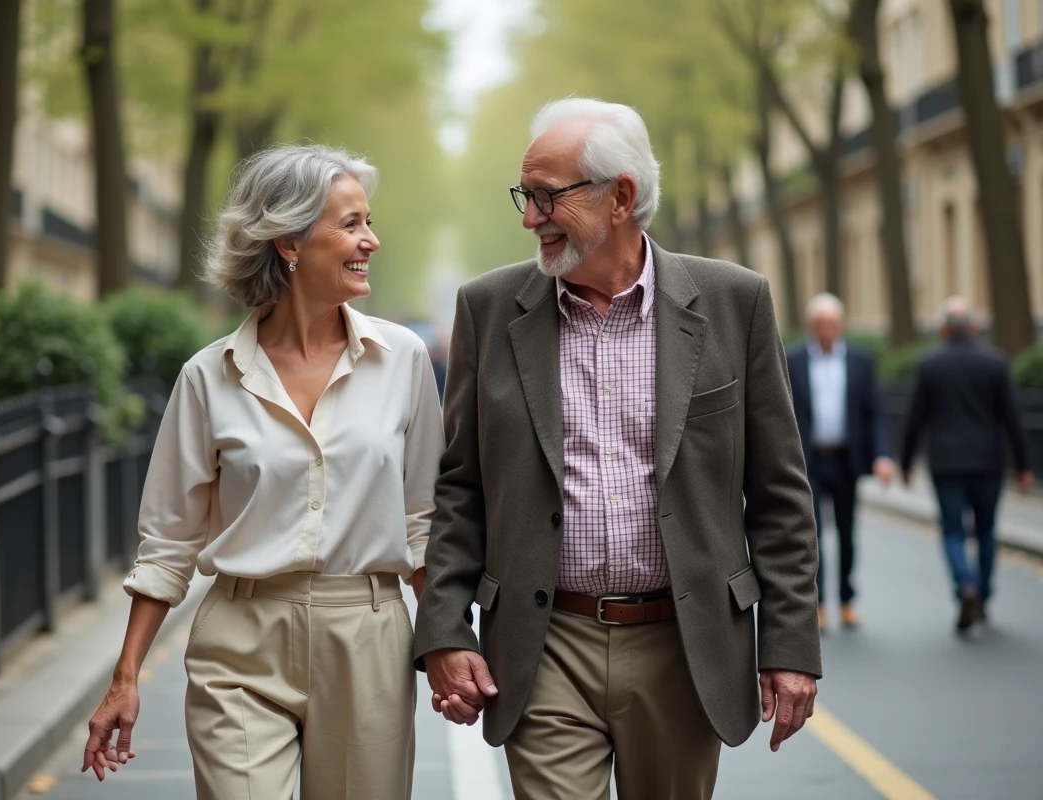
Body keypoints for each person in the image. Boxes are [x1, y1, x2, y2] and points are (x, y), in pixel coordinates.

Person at [413, 98, 821, 800]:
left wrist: (789, 647)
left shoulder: (734, 302)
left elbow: (780, 496)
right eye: (525, 196)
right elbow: (461, 487)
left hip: (684, 643)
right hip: (543, 643)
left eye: (546, 197)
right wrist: (445, 626)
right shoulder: (488, 308)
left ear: (620, 198)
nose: (529, 217)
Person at [80, 144, 445, 799]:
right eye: (352, 223)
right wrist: (126, 676)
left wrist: (448, 640)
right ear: (290, 243)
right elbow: (167, 542)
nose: (373, 240)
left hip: (366, 632)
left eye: (370, 221)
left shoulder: (404, 361)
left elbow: (421, 520)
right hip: (239, 642)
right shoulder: (208, 376)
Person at [901, 296, 1033, 631]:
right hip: (989, 461)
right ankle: (984, 595)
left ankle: (965, 585)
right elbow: (1012, 419)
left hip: (946, 462)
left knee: (952, 530)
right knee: (986, 530)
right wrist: (1023, 466)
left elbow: (915, 418)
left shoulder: (930, 364)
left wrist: (904, 461)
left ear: (944, 329)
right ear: (974, 329)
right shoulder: (996, 363)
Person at [786, 294, 895, 632]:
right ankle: (817, 605)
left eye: (832, 324)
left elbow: (874, 412)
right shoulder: (793, 360)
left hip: (847, 459)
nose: (826, 330)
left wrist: (882, 456)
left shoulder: (861, 361)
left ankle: (847, 600)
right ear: (811, 327)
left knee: (847, 533)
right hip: (809, 460)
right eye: (820, 324)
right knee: (812, 535)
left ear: (842, 325)